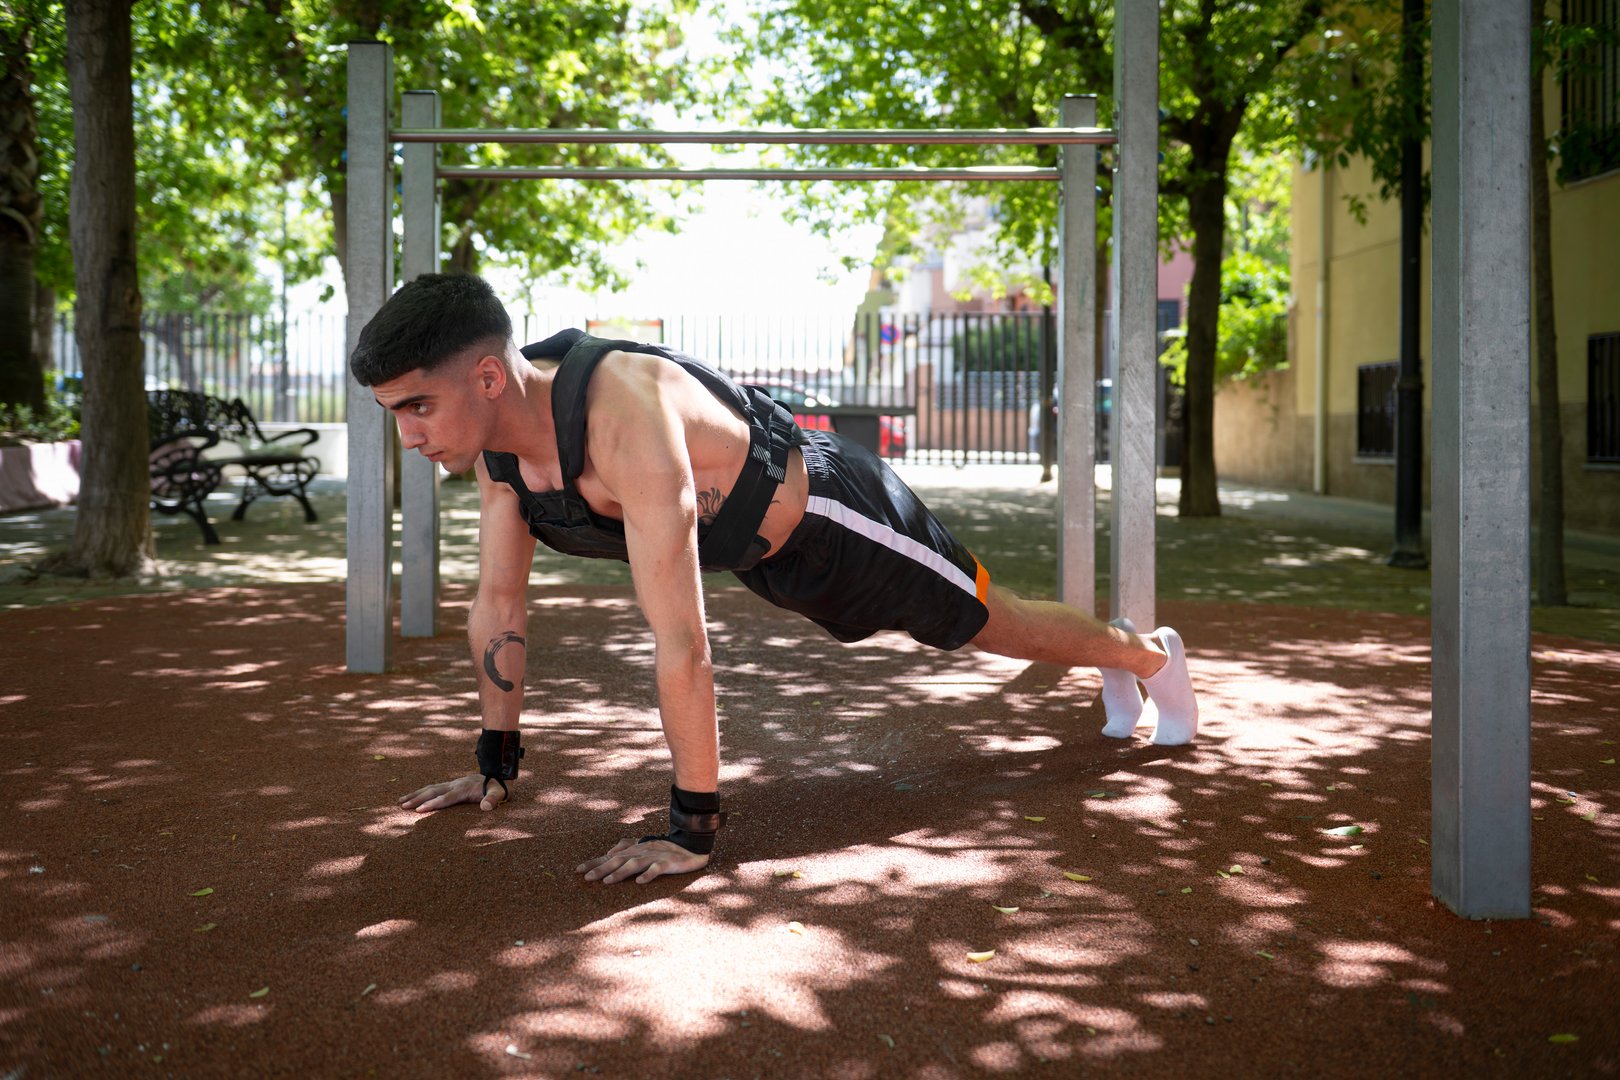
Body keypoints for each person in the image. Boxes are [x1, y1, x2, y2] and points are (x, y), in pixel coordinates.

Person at [349, 273, 1200, 886]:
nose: (410, 436)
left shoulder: (625, 419)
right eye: (396, 416)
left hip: (840, 519)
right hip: (765, 561)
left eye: (416, 407)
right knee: (991, 622)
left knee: (994, 623)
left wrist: (693, 830)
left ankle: (1148, 659)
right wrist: (496, 762)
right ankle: (1125, 661)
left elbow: (682, 643)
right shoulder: (500, 455)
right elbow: (499, 603)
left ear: (488, 377)